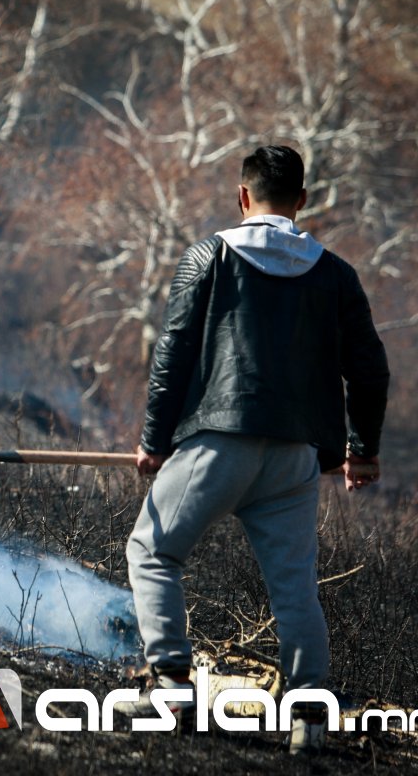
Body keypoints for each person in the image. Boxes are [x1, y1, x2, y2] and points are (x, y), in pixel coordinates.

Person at [126, 145, 389, 753]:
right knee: (294, 588)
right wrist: (363, 450)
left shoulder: (209, 256)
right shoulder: (337, 274)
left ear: (242, 196)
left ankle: (169, 683)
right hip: (296, 460)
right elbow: (370, 373)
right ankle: (309, 717)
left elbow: (173, 354)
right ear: (301, 201)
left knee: (153, 548)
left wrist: (153, 441)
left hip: (220, 442)